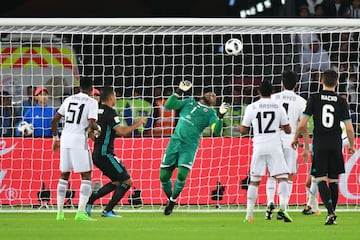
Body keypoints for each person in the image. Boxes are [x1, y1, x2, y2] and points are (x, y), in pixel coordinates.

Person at [291, 69, 355, 225]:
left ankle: (330, 213)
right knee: (333, 180)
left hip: (320, 143)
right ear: (337, 82)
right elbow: (349, 128)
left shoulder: (314, 98)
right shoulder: (341, 101)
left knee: (319, 178)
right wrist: (352, 145)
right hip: (335, 143)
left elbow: (303, 124)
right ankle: (332, 214)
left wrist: (295, 138)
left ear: (321, 81)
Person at [160, 80, 229, 215]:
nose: (211, 94)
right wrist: (179, 91)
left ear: (215, 103)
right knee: (163, 177)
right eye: (209, 92)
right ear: (203, 94)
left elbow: (215, 130)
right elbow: (169, 105)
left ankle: (173, 201)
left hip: (189, 146)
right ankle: (170, 199)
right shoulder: (189, 101)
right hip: (174, 142)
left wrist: (220, 117)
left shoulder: (211, 114)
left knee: (181, 174)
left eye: (214, 95)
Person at [85, 87, 145, 217]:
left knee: (117, 182)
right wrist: (138, 123)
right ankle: (107, 210)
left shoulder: (96, 112)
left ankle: (90, 201)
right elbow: (122, 132)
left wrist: (97, 140)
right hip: (106, 154)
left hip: (97, 153)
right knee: (127, 181)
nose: (116, 99)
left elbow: (89, 132)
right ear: (111, 97)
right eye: (115, 96)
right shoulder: (110, 113)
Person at [239, 80, 292, 223]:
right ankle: (283, 209)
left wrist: (240, 126)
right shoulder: (278, 107)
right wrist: (279, 127)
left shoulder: (251, 107)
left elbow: (243, 130)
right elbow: (288, 130)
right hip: (275, 147)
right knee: (282, 178)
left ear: (258, 92)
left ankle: (249, 215)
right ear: (273, 92)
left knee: (255, 181)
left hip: (259, 147)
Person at [51, 77, 100, 221]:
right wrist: (98, 130)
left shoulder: (69, 99)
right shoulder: (92, 102)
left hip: (65, 139)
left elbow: (54, 120)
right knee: (86, 175)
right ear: (91, 89)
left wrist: (56, 139)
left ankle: (60, 213)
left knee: (64, 174)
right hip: (79, 140)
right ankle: (80, 213)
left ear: (79, 87)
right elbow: (91, 123)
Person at [265, 70, 310, 220]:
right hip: (291, 140)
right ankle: (283, 208)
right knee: (288, 176)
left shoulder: (272, 98)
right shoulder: (302, 101)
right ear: (296, 85)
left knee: (272, 174)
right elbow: (303, 126)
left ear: (282, 84)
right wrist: (305, 145)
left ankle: (270, 201)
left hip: (273, 138)